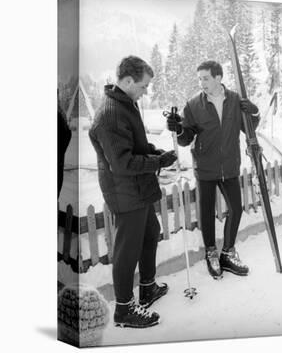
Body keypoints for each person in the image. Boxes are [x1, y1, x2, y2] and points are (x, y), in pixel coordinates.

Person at [89, 56, 176, 328]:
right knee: (127, 251)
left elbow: (134, 145)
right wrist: (158, 163)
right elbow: (123, 162)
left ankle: (147, 288)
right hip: (125, 191)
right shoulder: (110, 115)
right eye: (143, 85)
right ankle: (124, 310)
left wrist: (155, 152)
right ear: (127, 81)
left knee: (150, 235)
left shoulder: (126, 105)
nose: (145, 91)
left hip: (138, 188)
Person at [166, 60, 260, 279]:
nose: (202, 83)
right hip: (205, 167)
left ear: (218, 78)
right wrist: (178, 128)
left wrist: (254, 113)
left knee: (236, 208)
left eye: (205, 78)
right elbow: (185, 138)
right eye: (199, 79)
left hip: (229, 166)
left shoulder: (235, 100)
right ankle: (211, 253)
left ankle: (227, 252)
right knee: (206, 213)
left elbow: (249, 130)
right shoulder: (193, 105)